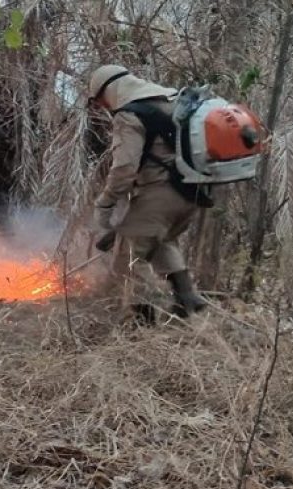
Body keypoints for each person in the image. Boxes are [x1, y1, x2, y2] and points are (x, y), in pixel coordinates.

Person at [86, 64, 208, 322]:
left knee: (127, 256)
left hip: (162, 192)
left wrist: (106, 203)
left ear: (110, 90)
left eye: (101, 101)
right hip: (193, 192)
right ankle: (188, 301)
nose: (104, 108)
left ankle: (142, 319)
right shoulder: (172, 101)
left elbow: (125, 168)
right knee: (162, 242)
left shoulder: (130, 115)